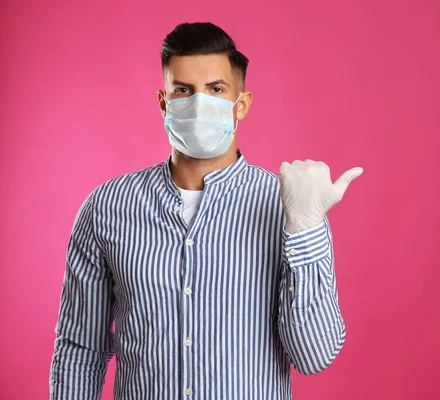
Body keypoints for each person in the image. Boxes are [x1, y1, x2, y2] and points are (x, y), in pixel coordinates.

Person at [49, 21, 363, 400]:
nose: (199, 104)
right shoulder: (107, 207)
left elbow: (313, 355)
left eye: (216, 89)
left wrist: (307, 228)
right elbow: (81, 348)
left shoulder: (289, 206)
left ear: (240, 104)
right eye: (183, 90)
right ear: (164, 102)